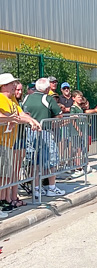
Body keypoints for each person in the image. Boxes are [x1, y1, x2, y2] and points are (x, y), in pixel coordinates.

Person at [0, 74, 40, 210]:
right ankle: (2, 201)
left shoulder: (11, 101)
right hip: (2, 141)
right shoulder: (1, 98)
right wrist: (11, 118)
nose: (14, 86)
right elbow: (5, 116)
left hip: (8, 142)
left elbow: (20, 114)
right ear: (4, 85)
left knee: (6, 173)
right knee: (2, 174)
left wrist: (32, 121)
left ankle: (6, 199)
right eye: (11, 84)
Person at [21, 77, 66, 198]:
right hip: (44, 131)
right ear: (46, 89)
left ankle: (36, 188)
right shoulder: (47, 98)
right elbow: (59, 115)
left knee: (34, 161)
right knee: (51, 159)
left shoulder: (26, 98)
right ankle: (51, 187)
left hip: (29, 132)